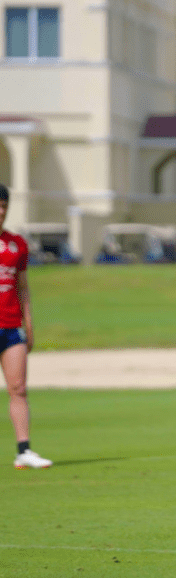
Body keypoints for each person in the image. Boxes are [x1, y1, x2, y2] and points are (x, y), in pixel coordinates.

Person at [0, 185, 50, 469]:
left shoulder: (17, 244)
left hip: (10, 327)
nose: (1, 211)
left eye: (4, 206)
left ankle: (24, 451)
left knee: (18, 389)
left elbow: (23, 289)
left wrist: (29, 326)